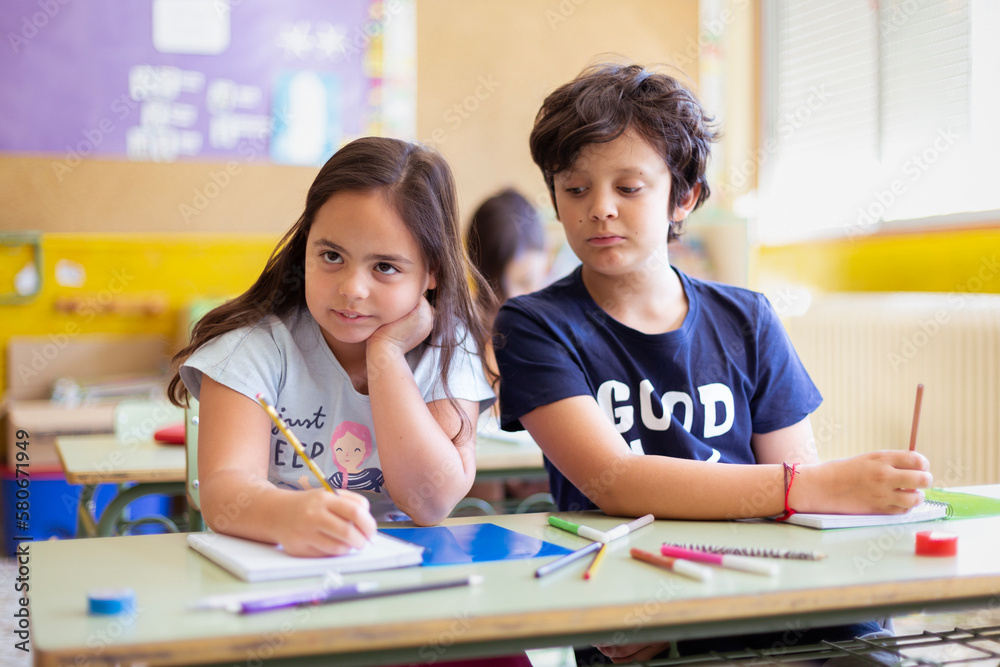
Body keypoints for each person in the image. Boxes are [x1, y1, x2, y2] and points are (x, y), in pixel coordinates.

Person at [493, 63, 932, 664]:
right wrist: (818, 487)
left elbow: (796, 485)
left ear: (685, 197)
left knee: (867, 648)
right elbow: (614, 481)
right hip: (639, 608)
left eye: (628, 187)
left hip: (763, 589)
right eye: (575, 189)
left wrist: (826, 494)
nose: (600, 209)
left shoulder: (748, 317)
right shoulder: (534, 325)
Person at [168, 136, 497, 558]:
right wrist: (288, 516)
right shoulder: (252, 349)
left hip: (409, 580)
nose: (352, 288)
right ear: (306, 245)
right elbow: (222, 493)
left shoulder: (450, 349)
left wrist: (387, 354)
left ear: (432, 271)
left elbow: (430, 502)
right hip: (283, 571)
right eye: (331, 256)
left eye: (385, 267)